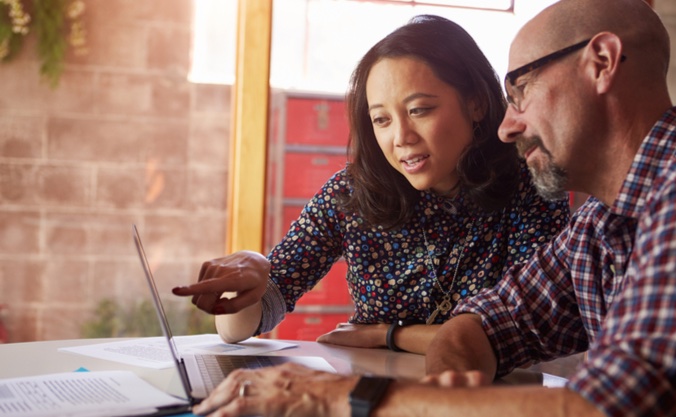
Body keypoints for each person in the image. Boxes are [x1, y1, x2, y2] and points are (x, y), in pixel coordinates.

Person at [188, 0, 676, 416]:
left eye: (522, 90)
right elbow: (485, 324)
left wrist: (345, 397)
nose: (510, 125)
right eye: (381, 119)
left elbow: (612, 406)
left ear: (601, 62)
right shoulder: (599, 225)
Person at [172, 15, 569, 355]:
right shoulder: (353, 192)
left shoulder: (529, 185)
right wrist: (253, 275)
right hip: (374, 396)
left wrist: (389, 336)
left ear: (476, 103)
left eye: (419, 110)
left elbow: (528, 330)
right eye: (382, 119)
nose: (401, 137)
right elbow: (241, 328)